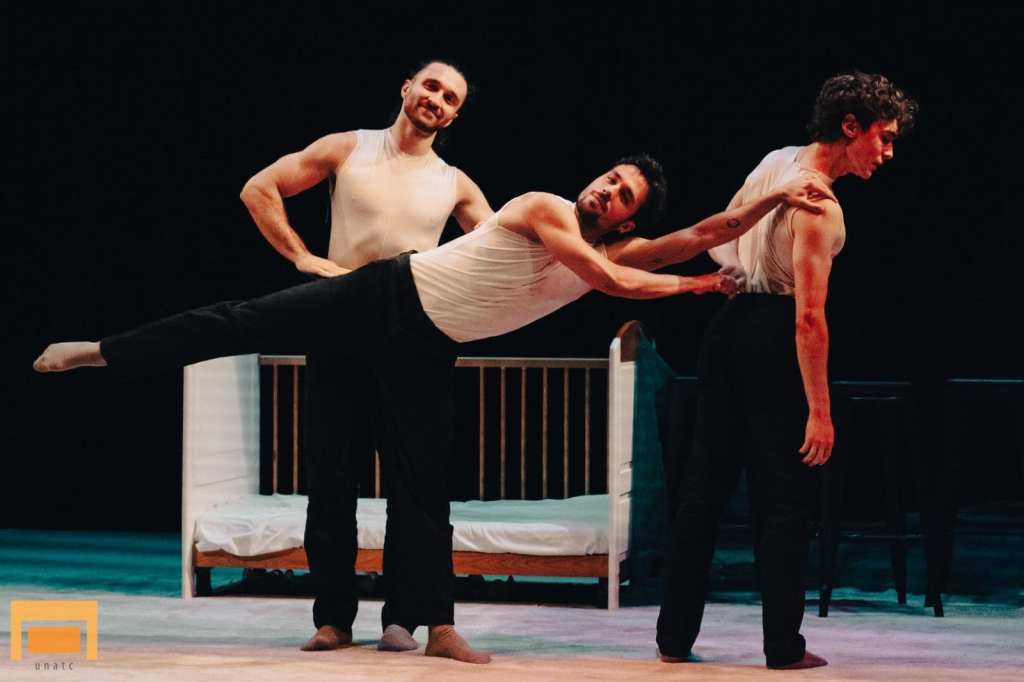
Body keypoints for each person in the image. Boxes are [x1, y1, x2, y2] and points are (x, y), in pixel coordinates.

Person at [34, 156, 834, 664]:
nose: (604, 188)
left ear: (627, 218)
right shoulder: (547, 207)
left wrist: (773, 198)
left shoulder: (614, 247)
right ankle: (104, 350)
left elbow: (703, 231)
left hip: (427, 344)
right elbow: (615, 280)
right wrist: (699, 285)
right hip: (386, 294)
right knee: (245, 321)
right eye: (608, 177)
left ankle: (435, 626)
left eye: (621, 193)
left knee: (426, 485)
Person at [655, 71, 918, 670]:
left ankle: (673, 637)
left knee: (703, 490)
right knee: (785, 499)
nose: (887, 152)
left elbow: (724, 235)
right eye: (884, 137)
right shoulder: (821, 206)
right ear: (850, 126)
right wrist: (820, 412)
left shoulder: (776, 160)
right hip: (774, 338)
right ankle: (782, 647)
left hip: (727, 330)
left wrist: (737, 276)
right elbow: (809, 318)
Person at [238, 60, 493, 654]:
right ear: (407, 88)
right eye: (431, 86)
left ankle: (405, 619)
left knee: (417, 485)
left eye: (450, 97)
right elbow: (259, 188)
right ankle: (333, 618)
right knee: (332, 479)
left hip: (415, 338)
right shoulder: (348, 147)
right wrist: (304, 259)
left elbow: (504, 247)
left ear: (453, 116)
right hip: (340, 324)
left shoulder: (456, 183)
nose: (437, 99)